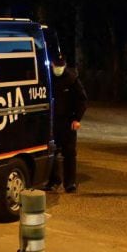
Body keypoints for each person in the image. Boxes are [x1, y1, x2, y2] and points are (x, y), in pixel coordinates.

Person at [44, 53, 88, 193]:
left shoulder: (72, 79)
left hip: (68, 121)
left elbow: (82, 100)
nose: (59, 68)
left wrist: (77, 119)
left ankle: (70, 183)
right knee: (53, 152)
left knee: (69, 153)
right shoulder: (48, 78)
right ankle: (53, 181)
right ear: (52, 65)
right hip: (52, 122)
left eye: (61, 66)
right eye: (57, 66)